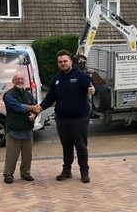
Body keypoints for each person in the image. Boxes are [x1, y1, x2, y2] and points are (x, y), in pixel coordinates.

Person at [32, 50, 95, 183]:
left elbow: (91, 86)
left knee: (81, 147)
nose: (63, 64)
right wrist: (40, 108)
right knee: (66, 147)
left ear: (70, 62)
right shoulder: (57, 79)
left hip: (79, 119)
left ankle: (84, 172)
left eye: (65, 61)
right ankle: (67, 171)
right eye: (60, 62)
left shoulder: (80, 76)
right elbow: (50, 98)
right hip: (62, 120)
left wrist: (92, 89)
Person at [3, 73, 36, 184]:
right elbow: (17, 107)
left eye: (21, 79)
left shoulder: (28, 94)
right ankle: (8, 174)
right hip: (14, 131)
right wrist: (31, 108)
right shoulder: (8, 95)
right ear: (13, 81)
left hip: (28, 130)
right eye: (17, 79)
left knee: (27, 156)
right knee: (11, 156)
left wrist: (34, 115)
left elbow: (35, 108)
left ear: (24, 81)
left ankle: (26, 173)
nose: (19, 81)